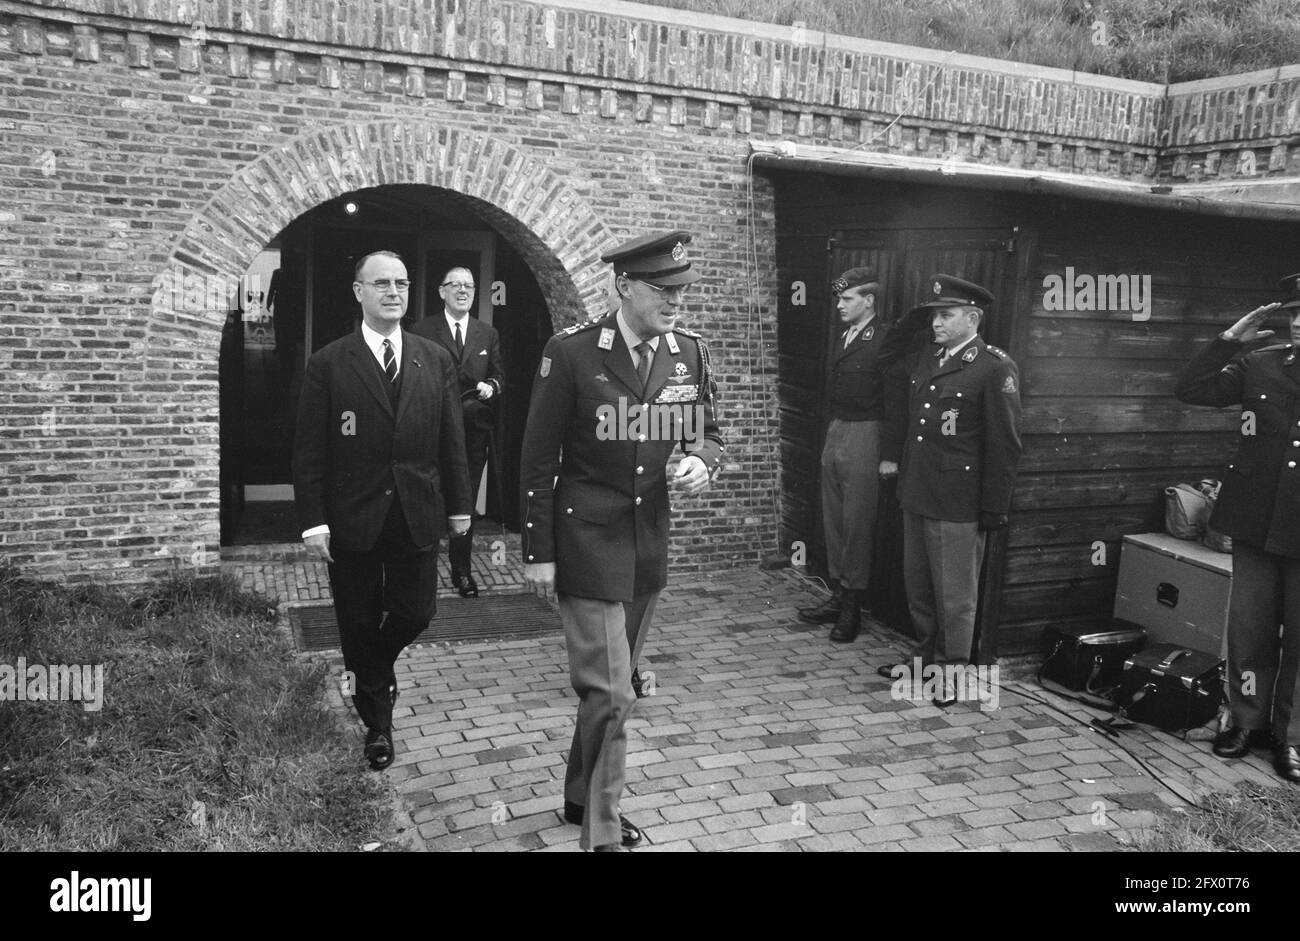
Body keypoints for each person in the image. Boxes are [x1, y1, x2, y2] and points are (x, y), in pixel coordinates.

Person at [519, 230, 724, 851]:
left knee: (613, 688)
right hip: (585, 541)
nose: (676, 302)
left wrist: (702, 462)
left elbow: (707, 431)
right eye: (664, 290)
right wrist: (539, 552)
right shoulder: (574, 353)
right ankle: (600, 828)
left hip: (646, 544)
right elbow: (536, 457)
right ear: (625, 286)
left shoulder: (686, 353)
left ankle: (579, 793)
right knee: (612, 690)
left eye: (682, 291)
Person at [293, 250, 472, 771]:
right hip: (352, 519)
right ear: (358, 293)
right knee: (357, 618)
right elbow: (310, 451)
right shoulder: (329, 363)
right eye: (381, 284)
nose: (394, 292)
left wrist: (461, 508)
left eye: (401, 283)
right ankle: (378, 727)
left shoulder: (434, 358)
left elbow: (452, 441)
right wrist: (313, 520)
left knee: (418, 611)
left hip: (417, 511)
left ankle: (373, 665)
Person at [1174, 276, 1300, 783]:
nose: (1299, 324)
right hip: (1254, 520)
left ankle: (1290, 738)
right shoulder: (1263, 362)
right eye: (1295, 316)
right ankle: (1247, 721)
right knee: (1249, 632)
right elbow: (1192, 389)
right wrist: (1230, 341)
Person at [876, 275, 1022, 705]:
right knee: (918, 587)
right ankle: (923, 659)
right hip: (918, 491)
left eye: (945, 314)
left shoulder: (994, 368)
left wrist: (994, 508)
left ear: (972, 318)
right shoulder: (929, 356)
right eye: (934, 315)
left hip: (959, 502)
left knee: (955, 596)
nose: (936, 323)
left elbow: (1005, 445)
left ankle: (953, 671)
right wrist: (913, 320)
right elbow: (887, 359)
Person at [796, 267, 900, 642]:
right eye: (839, 299)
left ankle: (853, 605)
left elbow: (894, 399)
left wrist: (889, 454)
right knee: (835, 518)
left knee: (857, 522)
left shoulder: (884, 339)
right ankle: (838, 595)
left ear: (868, 300)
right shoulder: (845, 336)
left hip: (866, 434)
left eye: (847, 299)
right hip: (838, 428)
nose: (839, 305)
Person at [411, 267, 505, 597]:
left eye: (468, 286)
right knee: (430, 501)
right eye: (455, 285)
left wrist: (491, 387)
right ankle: (422, 573)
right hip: (433, 433)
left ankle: (462, 572)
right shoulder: (422, 330)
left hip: (472, 435)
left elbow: (499, 376)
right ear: (442, 291)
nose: (462, 291)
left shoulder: (486, 333)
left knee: (464, 502)